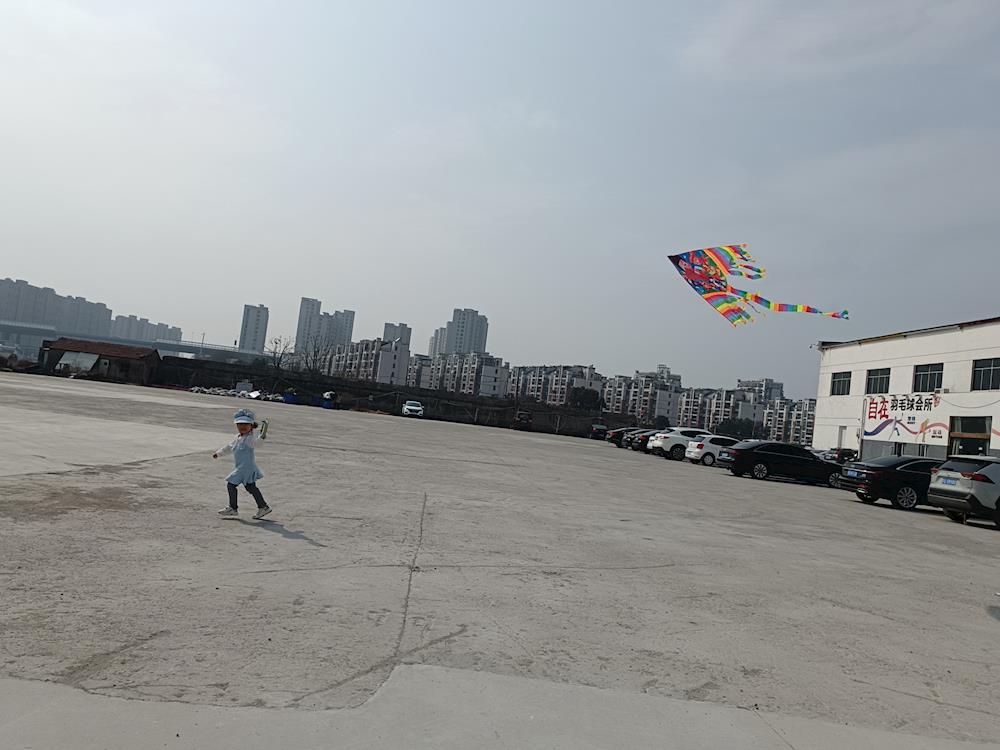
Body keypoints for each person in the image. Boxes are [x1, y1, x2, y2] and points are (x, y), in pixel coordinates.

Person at [213, 408, 271, 519]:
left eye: (246, 424)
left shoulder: (249, 439)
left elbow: (257, 444)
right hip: (244, 467)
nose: (242, 426)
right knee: (251, 487)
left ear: (251, 426)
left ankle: (233, 508)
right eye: (240, 424)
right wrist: (218, 453)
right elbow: (228, 447)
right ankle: (263, 506)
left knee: (231, 484)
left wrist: (262, 436)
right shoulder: (238, 438)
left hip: (245, 468)